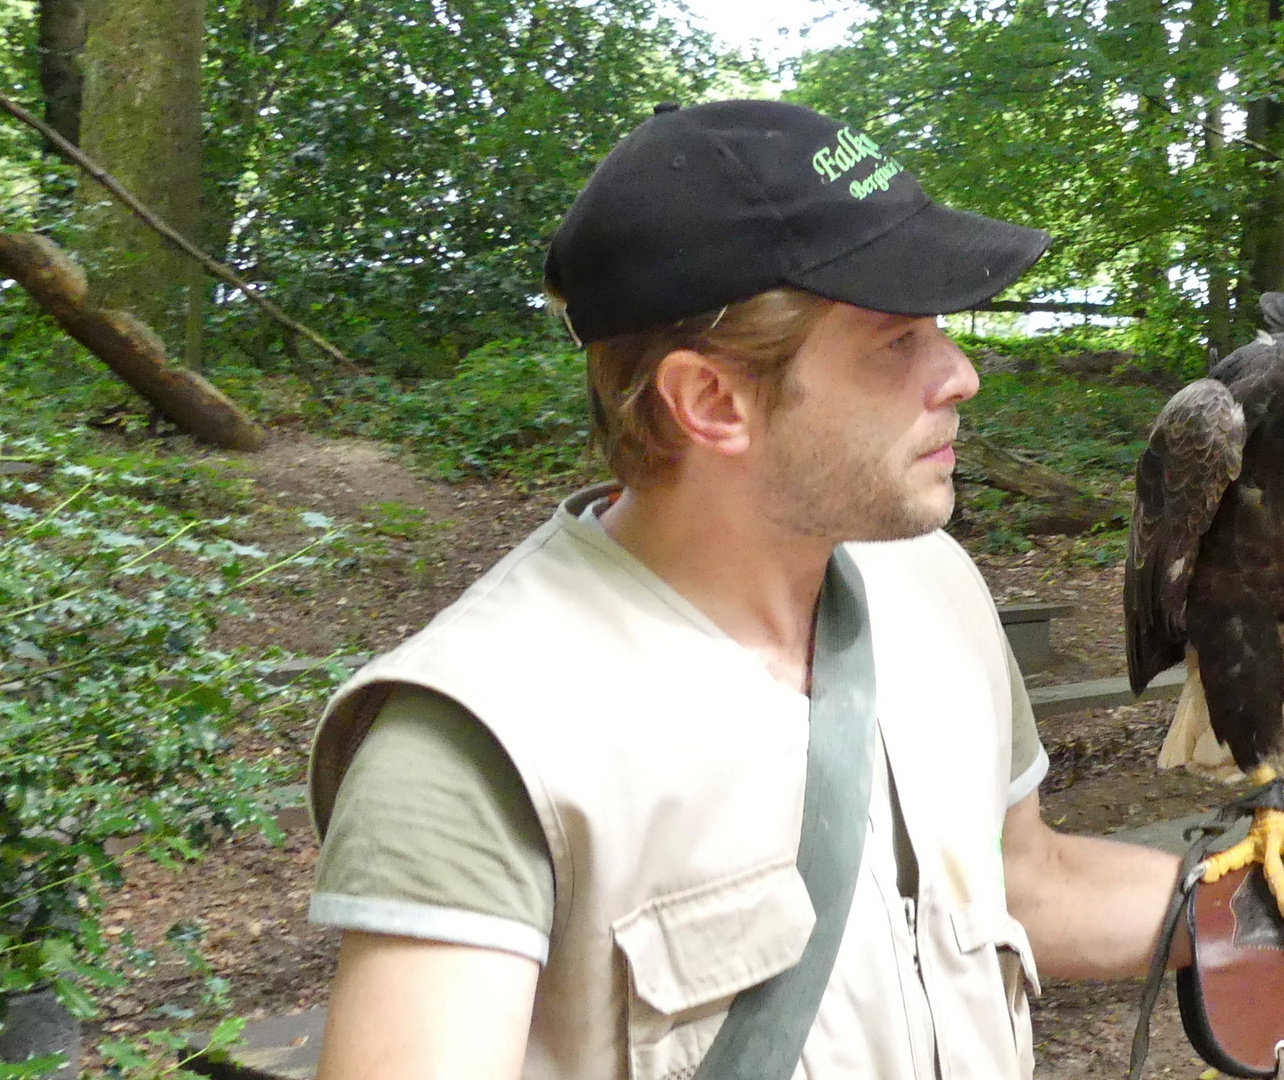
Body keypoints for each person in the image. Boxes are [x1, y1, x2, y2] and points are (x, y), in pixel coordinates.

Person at [305, 99, 1185, 1080]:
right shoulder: (480, 742)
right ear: (711, 402)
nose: (961, 374)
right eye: (895, 341)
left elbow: (1027, 880)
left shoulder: (928, 585)